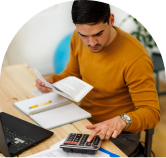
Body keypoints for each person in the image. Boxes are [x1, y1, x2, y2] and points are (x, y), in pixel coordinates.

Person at [36, 0, 160, 157]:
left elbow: (151, 112)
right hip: (84, 120)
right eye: (84, 35)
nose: (91, 43)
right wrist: (52, 81)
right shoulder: (77, 37)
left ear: (111, 20)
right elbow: (73, 74)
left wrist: (122, 120)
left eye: (98, 34)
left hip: (120, 133)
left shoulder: (135, 57)